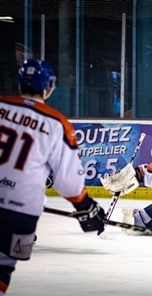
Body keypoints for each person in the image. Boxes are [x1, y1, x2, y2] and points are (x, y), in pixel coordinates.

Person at [0, 59, 105, 296]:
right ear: (48, 87)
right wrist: (84, 205)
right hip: (20, 212)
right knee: (2, 268)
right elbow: (68, 182)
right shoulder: (57, 123)